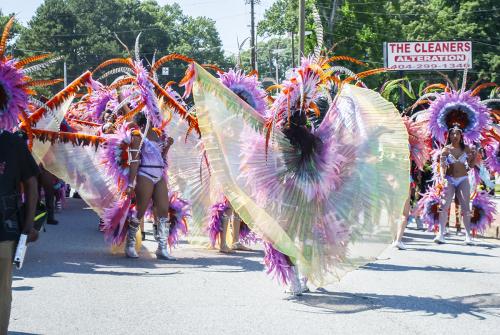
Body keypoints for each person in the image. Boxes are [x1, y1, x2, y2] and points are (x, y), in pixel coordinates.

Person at [0, 129, 40, 334]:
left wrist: (28, 224)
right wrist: (27, 224)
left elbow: (32, 183)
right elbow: (32, 183)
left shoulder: (14, 143)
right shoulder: (14, 143)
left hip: (4, 232)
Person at [124, 112, 174, 259]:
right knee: (140, 211)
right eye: (154, 117)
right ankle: (130, 244)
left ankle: (162, 248)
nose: (158, 119)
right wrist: (131, 183)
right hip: (145, 174)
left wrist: (167, 146)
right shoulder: (138, 135)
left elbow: (162, 158)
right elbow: (134, 161)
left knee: (164, 210)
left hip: (159, 175)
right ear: (147, 120)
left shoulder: (159, 135)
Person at [435, 125, 476, 245]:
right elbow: (442, 166)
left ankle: (468, 236)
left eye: (457, 134)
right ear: (449, 136)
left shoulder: (467, 149)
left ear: (461, 136)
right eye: (452, 134)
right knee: (444, 206)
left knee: (466, 208)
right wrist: (442, 177)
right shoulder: (446, 150)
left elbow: (471, 166)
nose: (455, 136)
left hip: (463, 179)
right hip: (449, 179)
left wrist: (475, 155)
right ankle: (441, 234)